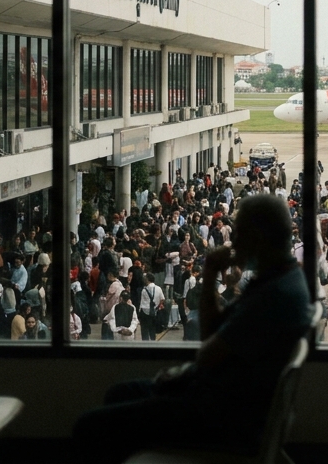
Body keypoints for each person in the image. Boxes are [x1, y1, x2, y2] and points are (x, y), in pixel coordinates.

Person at [74, 195, 315, 463]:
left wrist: (182, 376)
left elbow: (208, 351)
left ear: (257, 237)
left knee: (90, 427)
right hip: (230, 402)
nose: (234, 243)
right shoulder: (285, 281)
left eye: (239, 234)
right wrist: (211, 274)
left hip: (222, 415)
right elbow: (216, 335)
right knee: (119, 395)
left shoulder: (272, 296)